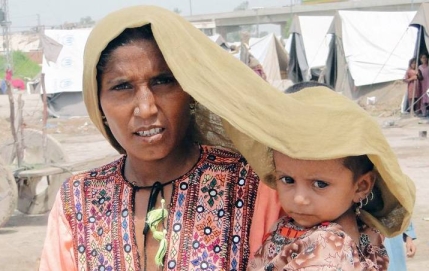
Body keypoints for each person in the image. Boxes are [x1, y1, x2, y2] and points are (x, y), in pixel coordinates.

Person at [39, 6, 283, 270]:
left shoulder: (253, 185)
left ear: (190, 91)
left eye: (163, 81)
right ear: (99, 105)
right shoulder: (78, 200)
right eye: (122, 87)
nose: (146, 108)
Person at [242, 83, 415, 270]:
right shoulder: (299, 226)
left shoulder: (329, 247)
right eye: (287, 180)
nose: (299, 198)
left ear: (361, 187)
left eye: (319, 184)